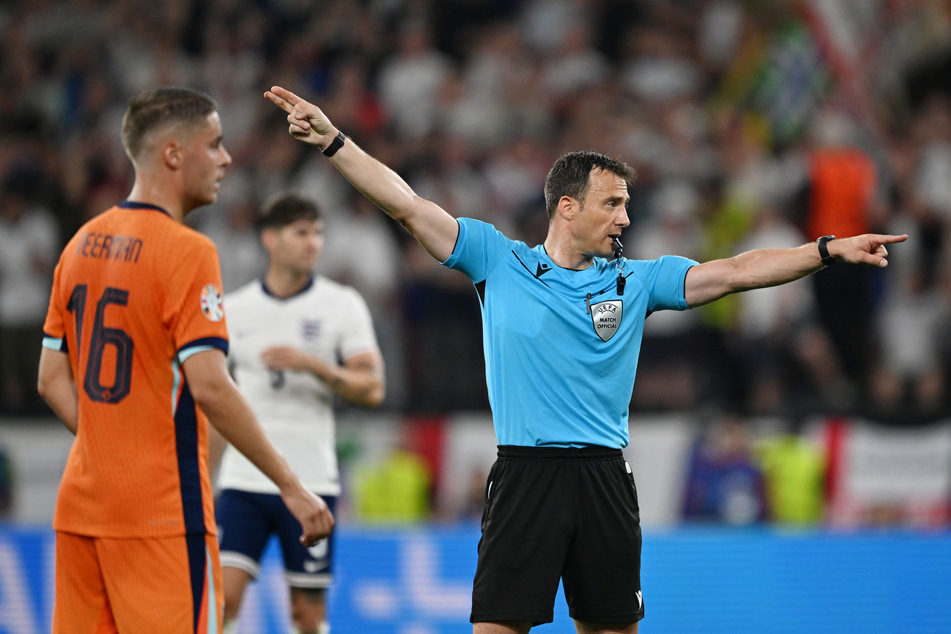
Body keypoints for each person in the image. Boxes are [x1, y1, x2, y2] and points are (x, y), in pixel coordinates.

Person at [264, 85, 907, 634]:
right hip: (526, 474)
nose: (626, 218)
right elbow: (404, 203)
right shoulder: (498, 260)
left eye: (627, 204)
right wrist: (333, 141)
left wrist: (826, 249)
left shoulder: (639, 280)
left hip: (604, 475)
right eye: (613, 204)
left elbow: (736, 271)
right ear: (568, 208)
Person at [36, 87, 334, 634]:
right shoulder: (188, 251)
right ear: (173, 154)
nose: (226, 159)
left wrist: (109, 444)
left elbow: (51, 378)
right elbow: (211, 387)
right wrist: (291, 485)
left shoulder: (79, 243)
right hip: (162, 516)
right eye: (215, 144)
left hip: (80, 508)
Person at [213, 192, 385, 634]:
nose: (313, 243)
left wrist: (313, 364)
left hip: (312, 481)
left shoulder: (341, 304)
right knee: (220, 601)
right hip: (244, 479)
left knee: (306, 615)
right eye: (301, 233)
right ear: (270, 239)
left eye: (318, 233)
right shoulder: (234, 309)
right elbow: (212, 397)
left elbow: (372, 387)